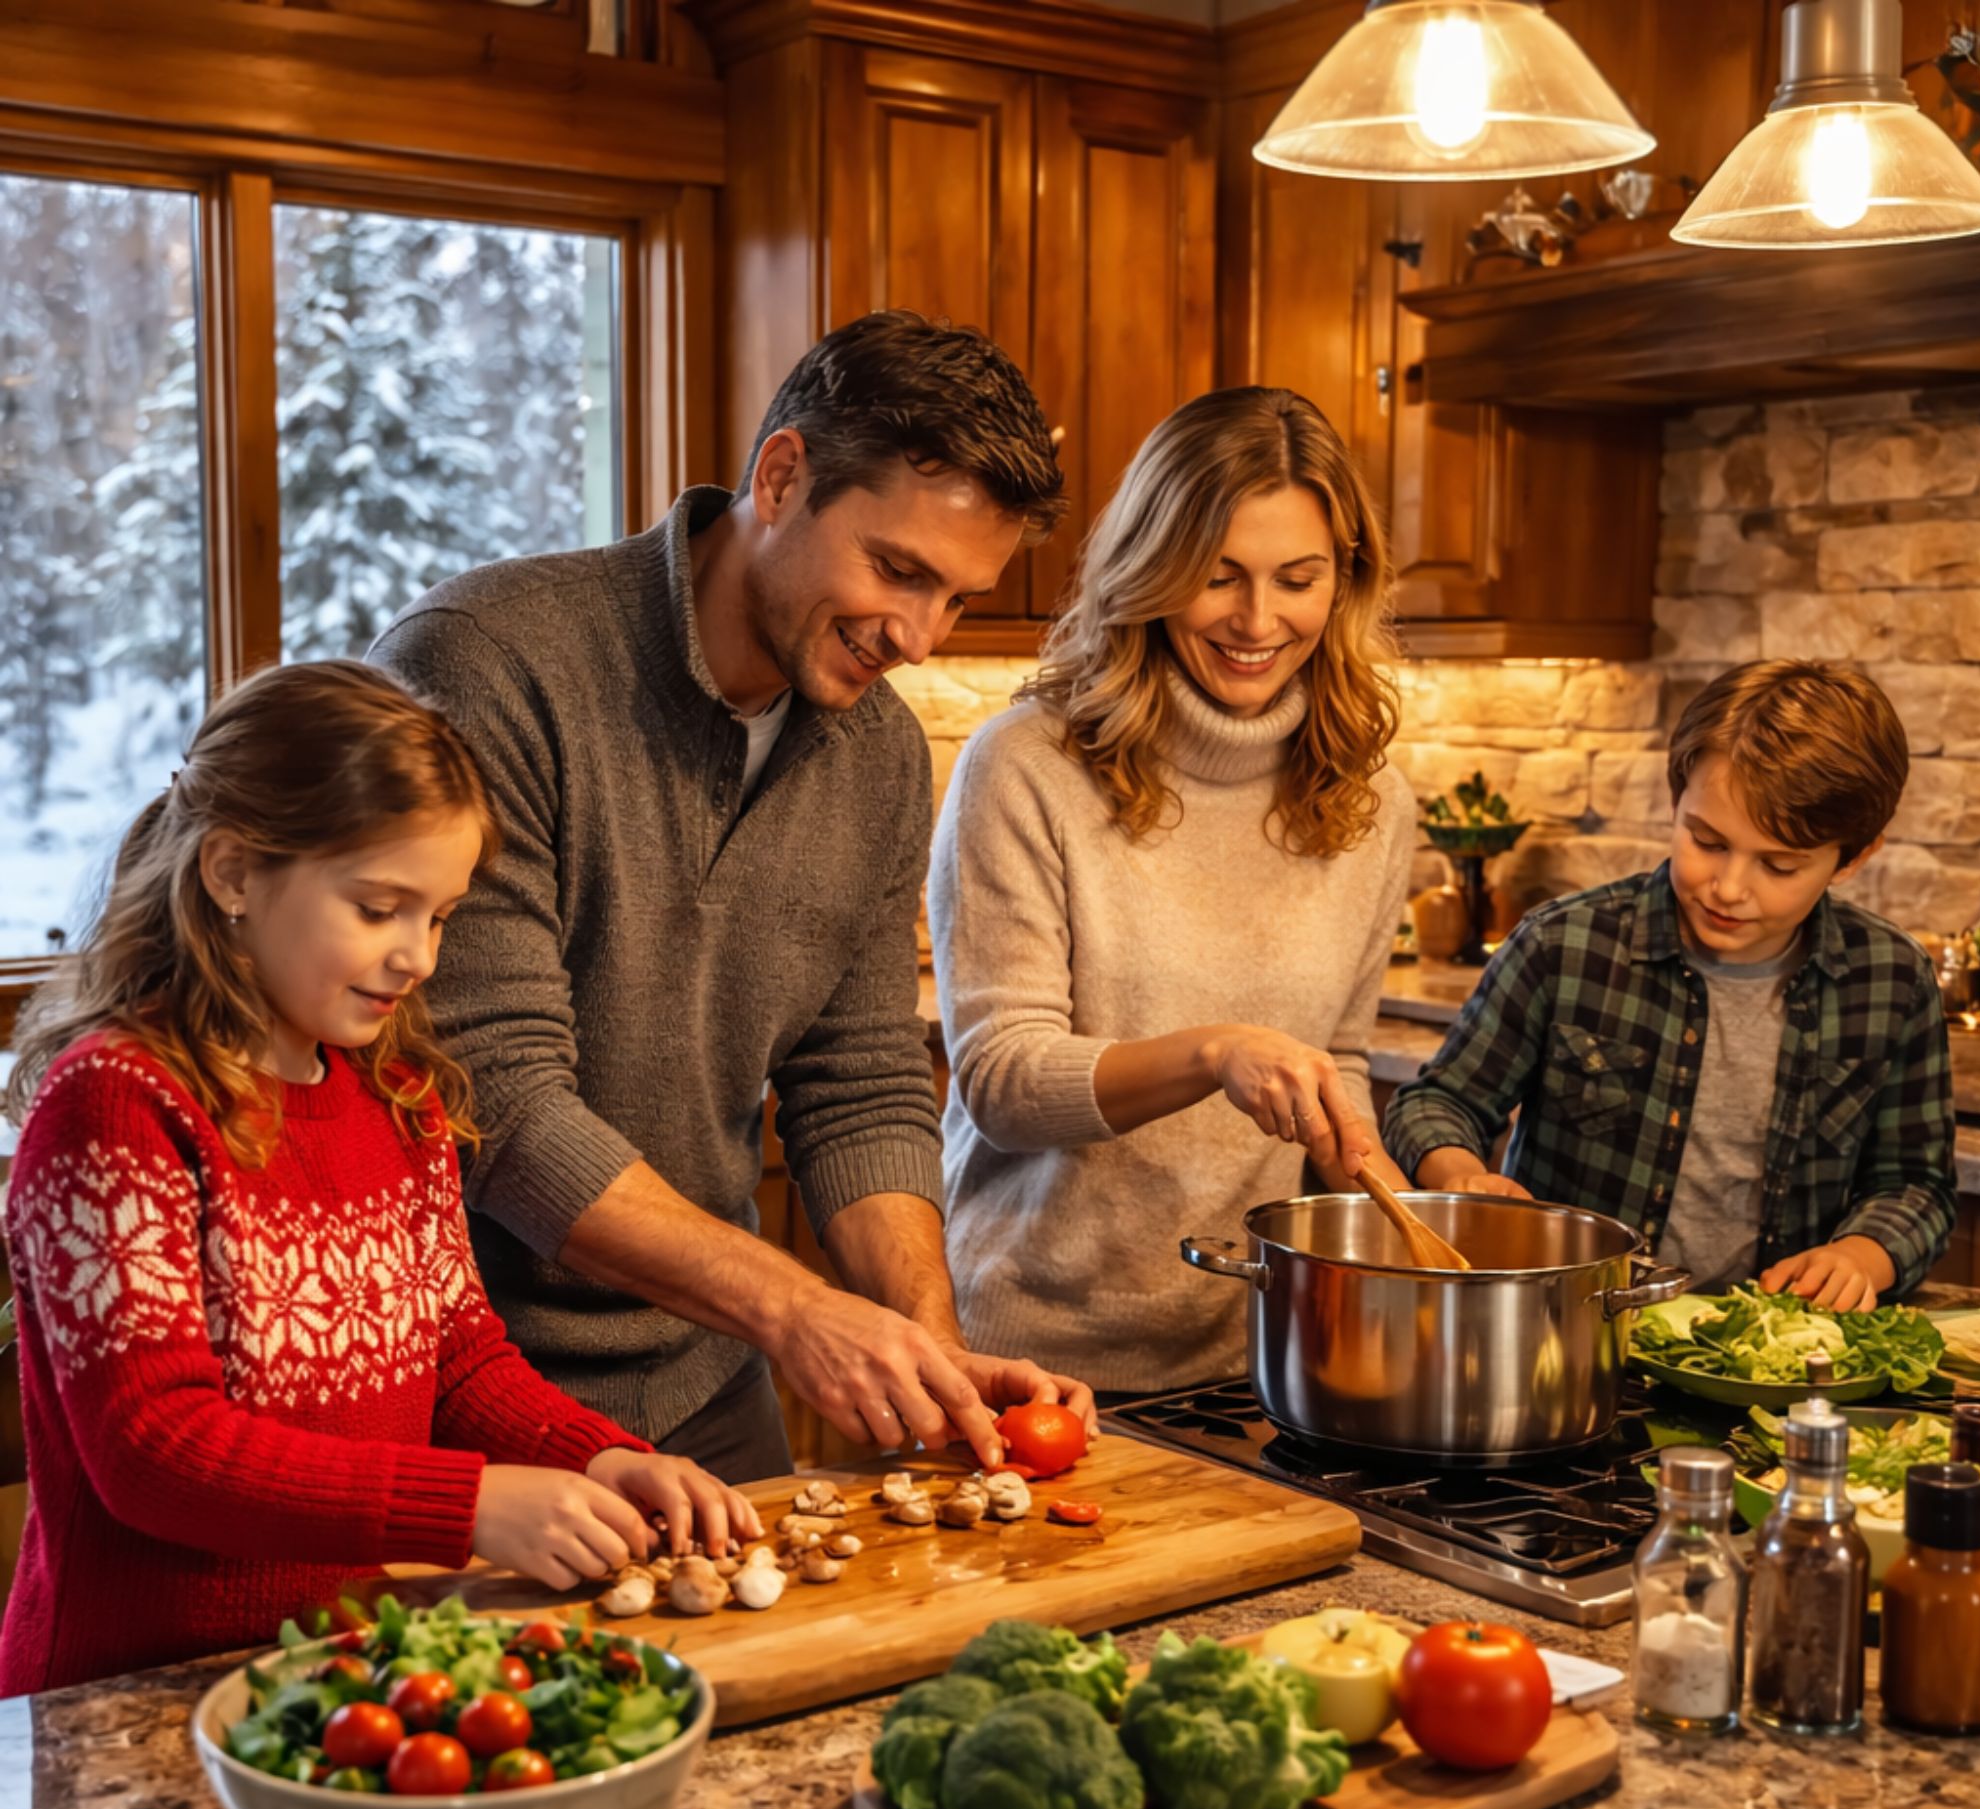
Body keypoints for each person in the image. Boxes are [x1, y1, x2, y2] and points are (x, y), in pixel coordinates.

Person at [369, 311, 1094, 1480]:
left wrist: (931, 1348)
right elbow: (489, 1092)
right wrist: (794, 1309)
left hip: (707, 1377)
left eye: (956, 597)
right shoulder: (489, 662)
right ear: (781, 474)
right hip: (464, 1386)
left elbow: (855, 1079)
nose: (916, 634)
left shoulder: (881, 756)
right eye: (897, 568)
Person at [0, 663, 762, 1695]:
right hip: (132, 1692)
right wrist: (470, 1505)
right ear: (231, 871)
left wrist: (598, 1456)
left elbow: (461, 1359)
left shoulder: (394, 1093)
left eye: (439, 915)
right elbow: (153, 1448)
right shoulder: (118, 1103)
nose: (416, 956)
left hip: (341, 1671)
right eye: (377, 907)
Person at [927, 386, 1413, 1394]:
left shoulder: (1370, 798)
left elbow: (1340, 1057)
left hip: (1259, 1357)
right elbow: (1004, 1082)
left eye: (1296, 578)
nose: (1256, 618)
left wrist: (1391, 1204)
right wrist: (1214, 1052)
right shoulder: (1024, 767)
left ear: (1344, 580)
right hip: (1026, 1357)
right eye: (1216, 574)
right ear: (1150, 568)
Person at [1385, 657, 1956, 1308]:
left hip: (1772, 1356)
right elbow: (1436, 1103)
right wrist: (1462, 1175)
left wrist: (1863, 1257)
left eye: (1779, 865)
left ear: (1854, 857)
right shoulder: (1566, 945)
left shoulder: (1893, 979)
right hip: (1565, 1330)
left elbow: (1916, 1185)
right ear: (1676, 797)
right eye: (1707, 841)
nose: (1730, 888)